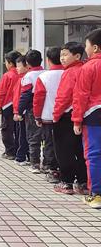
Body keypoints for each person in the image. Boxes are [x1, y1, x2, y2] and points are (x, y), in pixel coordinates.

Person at [52, 42, 87, 195]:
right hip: (83, 116)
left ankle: (66, 182)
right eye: (61, 55)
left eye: (65, 54)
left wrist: (55, 115)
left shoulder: (70, 72)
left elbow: (63, 96)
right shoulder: (85, 69)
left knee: (64, 150)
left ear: (77, 56)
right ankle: (82, 182)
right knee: (80, 151)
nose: (62, 58)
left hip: (66, 115)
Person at [72, 28, 101, 209]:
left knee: (94, 155)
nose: (86, 49)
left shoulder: (89, 67)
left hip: (94, 114)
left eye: (87, 46)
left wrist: (76, 120)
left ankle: (96, 194)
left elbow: (81, 95)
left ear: (96, 47)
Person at [33, 47, 64, 184]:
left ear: (48, 60)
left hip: (47, 116)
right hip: (67, 116)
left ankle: (52, 169)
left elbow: (38, 99)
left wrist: (37, 116)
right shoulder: (68, 73)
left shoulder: (44, 77)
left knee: (49, 143)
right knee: (64, 144)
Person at [18, 49, 44, 173]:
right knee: (48, 138)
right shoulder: (46, 73)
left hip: (33, 109)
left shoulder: (28, 76)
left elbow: (25, 95)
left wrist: (19, 110)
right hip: (48, 108)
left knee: (33, 137)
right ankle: (49, 164)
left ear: (27, 63)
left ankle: (35, 164)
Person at [0, 50, 21, 160]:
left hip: (7, 106)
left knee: (6, 129)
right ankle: (18, 150)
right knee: (18, 130)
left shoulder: (8, 75)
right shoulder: (22, 74)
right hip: (19, 106)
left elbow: (1, 92)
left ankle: (10, 151)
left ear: (10, 63)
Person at [13, 56, 30, 166]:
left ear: (26, 66)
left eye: (19, 66)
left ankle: (21, 157)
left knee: (23, 135)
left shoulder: (24, 79)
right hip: (22, 111)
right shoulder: (21, 79)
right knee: (23, 134)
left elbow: (19, 98)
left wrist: (17, 112)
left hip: (23, 112)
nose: (17, 69)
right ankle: (23, 156)